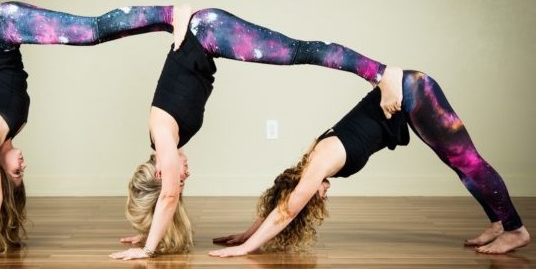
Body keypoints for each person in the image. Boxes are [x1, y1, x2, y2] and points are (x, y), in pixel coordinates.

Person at [109, 7, 404, 260]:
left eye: (180, 177)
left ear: (161, 173)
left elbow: (169, 197)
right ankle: (178, 16)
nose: (186, 174)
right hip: (205, 36)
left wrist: (147, 250)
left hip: (207, 32)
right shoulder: (167, 138)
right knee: (299, 52)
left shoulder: (163, 138)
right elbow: (167, 199)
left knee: (300, 51)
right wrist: (151, 232)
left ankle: (381, 73)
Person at [0, 1, 193, 260]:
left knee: (90, 32)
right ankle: (170, 23)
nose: (22, 164)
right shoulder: (9, 130)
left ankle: (171, 14)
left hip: (0, 24)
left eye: (16, 171)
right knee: (90, 32)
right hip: (7, 31)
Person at [208, 70, 531, 257]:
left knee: (467, 162)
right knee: (459, 166)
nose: (320, 196)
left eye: (310, 196)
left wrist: (245, 248)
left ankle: (515, 230)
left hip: (410, 93)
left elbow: (287, 209)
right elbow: (282, 200)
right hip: (407, 97)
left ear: (302, 187)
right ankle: (499, 222)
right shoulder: (313, 157)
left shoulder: (319, 163)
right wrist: (244, 233)